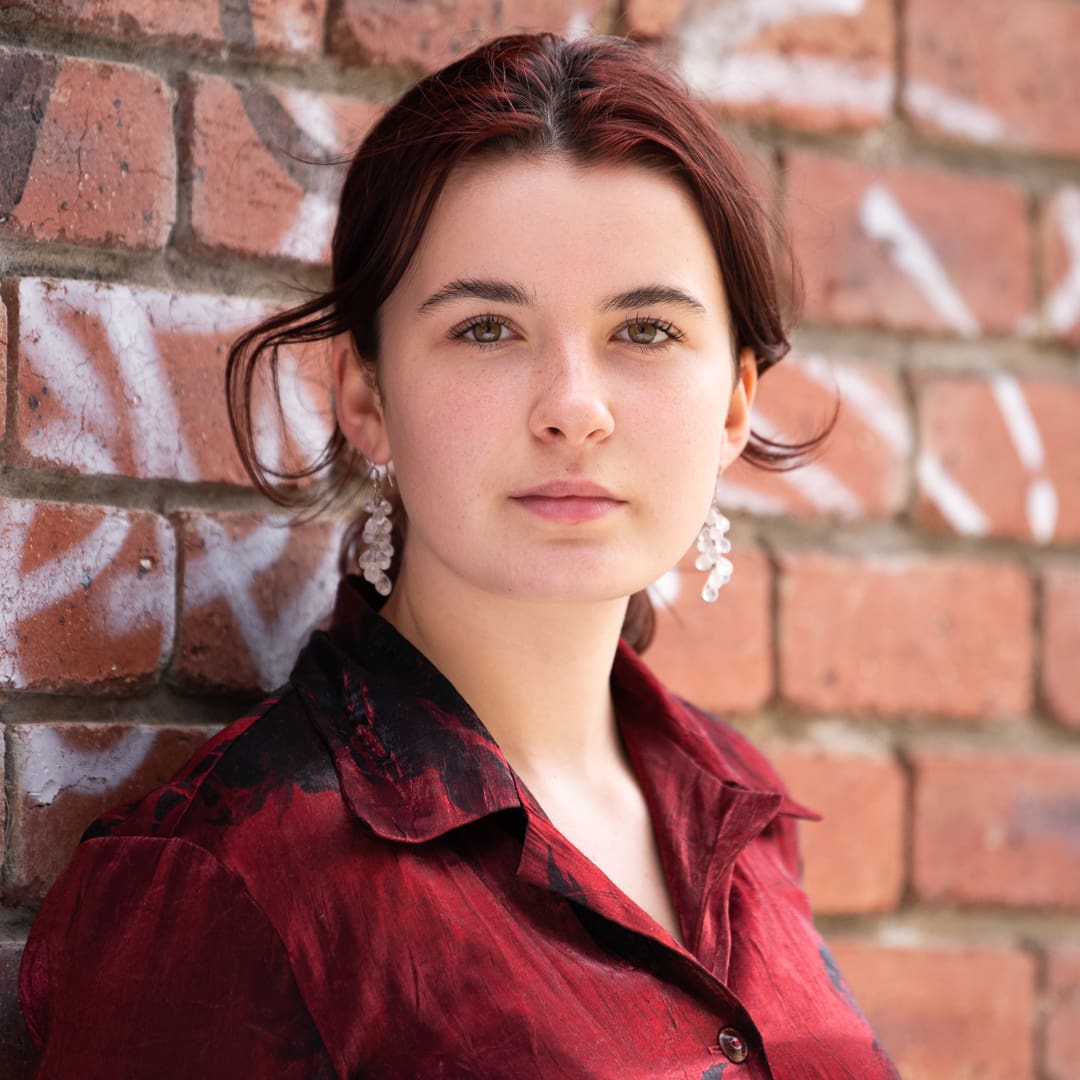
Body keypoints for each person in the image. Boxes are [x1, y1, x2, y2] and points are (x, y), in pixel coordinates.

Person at [19, 32, 899, 1079]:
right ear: (364, 396)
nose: (574, 407)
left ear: (735, 404)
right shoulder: (228, 876)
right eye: (487, 328)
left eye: (647, 331)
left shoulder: (737, 803)